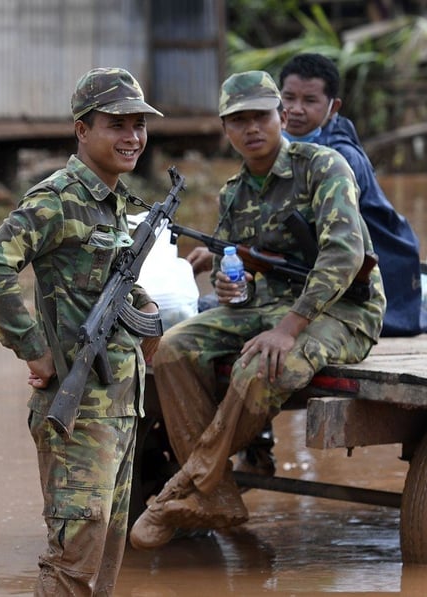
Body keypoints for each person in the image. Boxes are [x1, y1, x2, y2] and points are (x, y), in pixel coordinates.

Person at [129, 71, 385, 550]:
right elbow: (240, 274)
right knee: (173, 350)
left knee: (261, 364)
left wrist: (289, 328)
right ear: (226, 129)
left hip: (343, 309)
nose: (252, 128)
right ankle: (218, 495)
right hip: (270, 306)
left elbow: (344, 255)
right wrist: (231, 286)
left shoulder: (323, 166)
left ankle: (183, 490)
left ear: (280, 117)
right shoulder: (235, 192)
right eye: (239, 120)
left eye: (261, 116)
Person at [0, 67, 162, 596]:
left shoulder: (116, 200)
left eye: (139, 125)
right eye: (116, 124)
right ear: (82, 129)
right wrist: (33, 351)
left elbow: (109, 282)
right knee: (72, 565)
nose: (132, 137)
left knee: (103, 568)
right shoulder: (55, 199)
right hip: (79, 413)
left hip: (122, 403)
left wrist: (147, 310)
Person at [280, 52, 422, 337]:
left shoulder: (340, 157)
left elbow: (337, 243)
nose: (295, 109)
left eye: (309, 101)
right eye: (288, 98)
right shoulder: (279, 145)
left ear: (333, 108)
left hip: (377, 266)